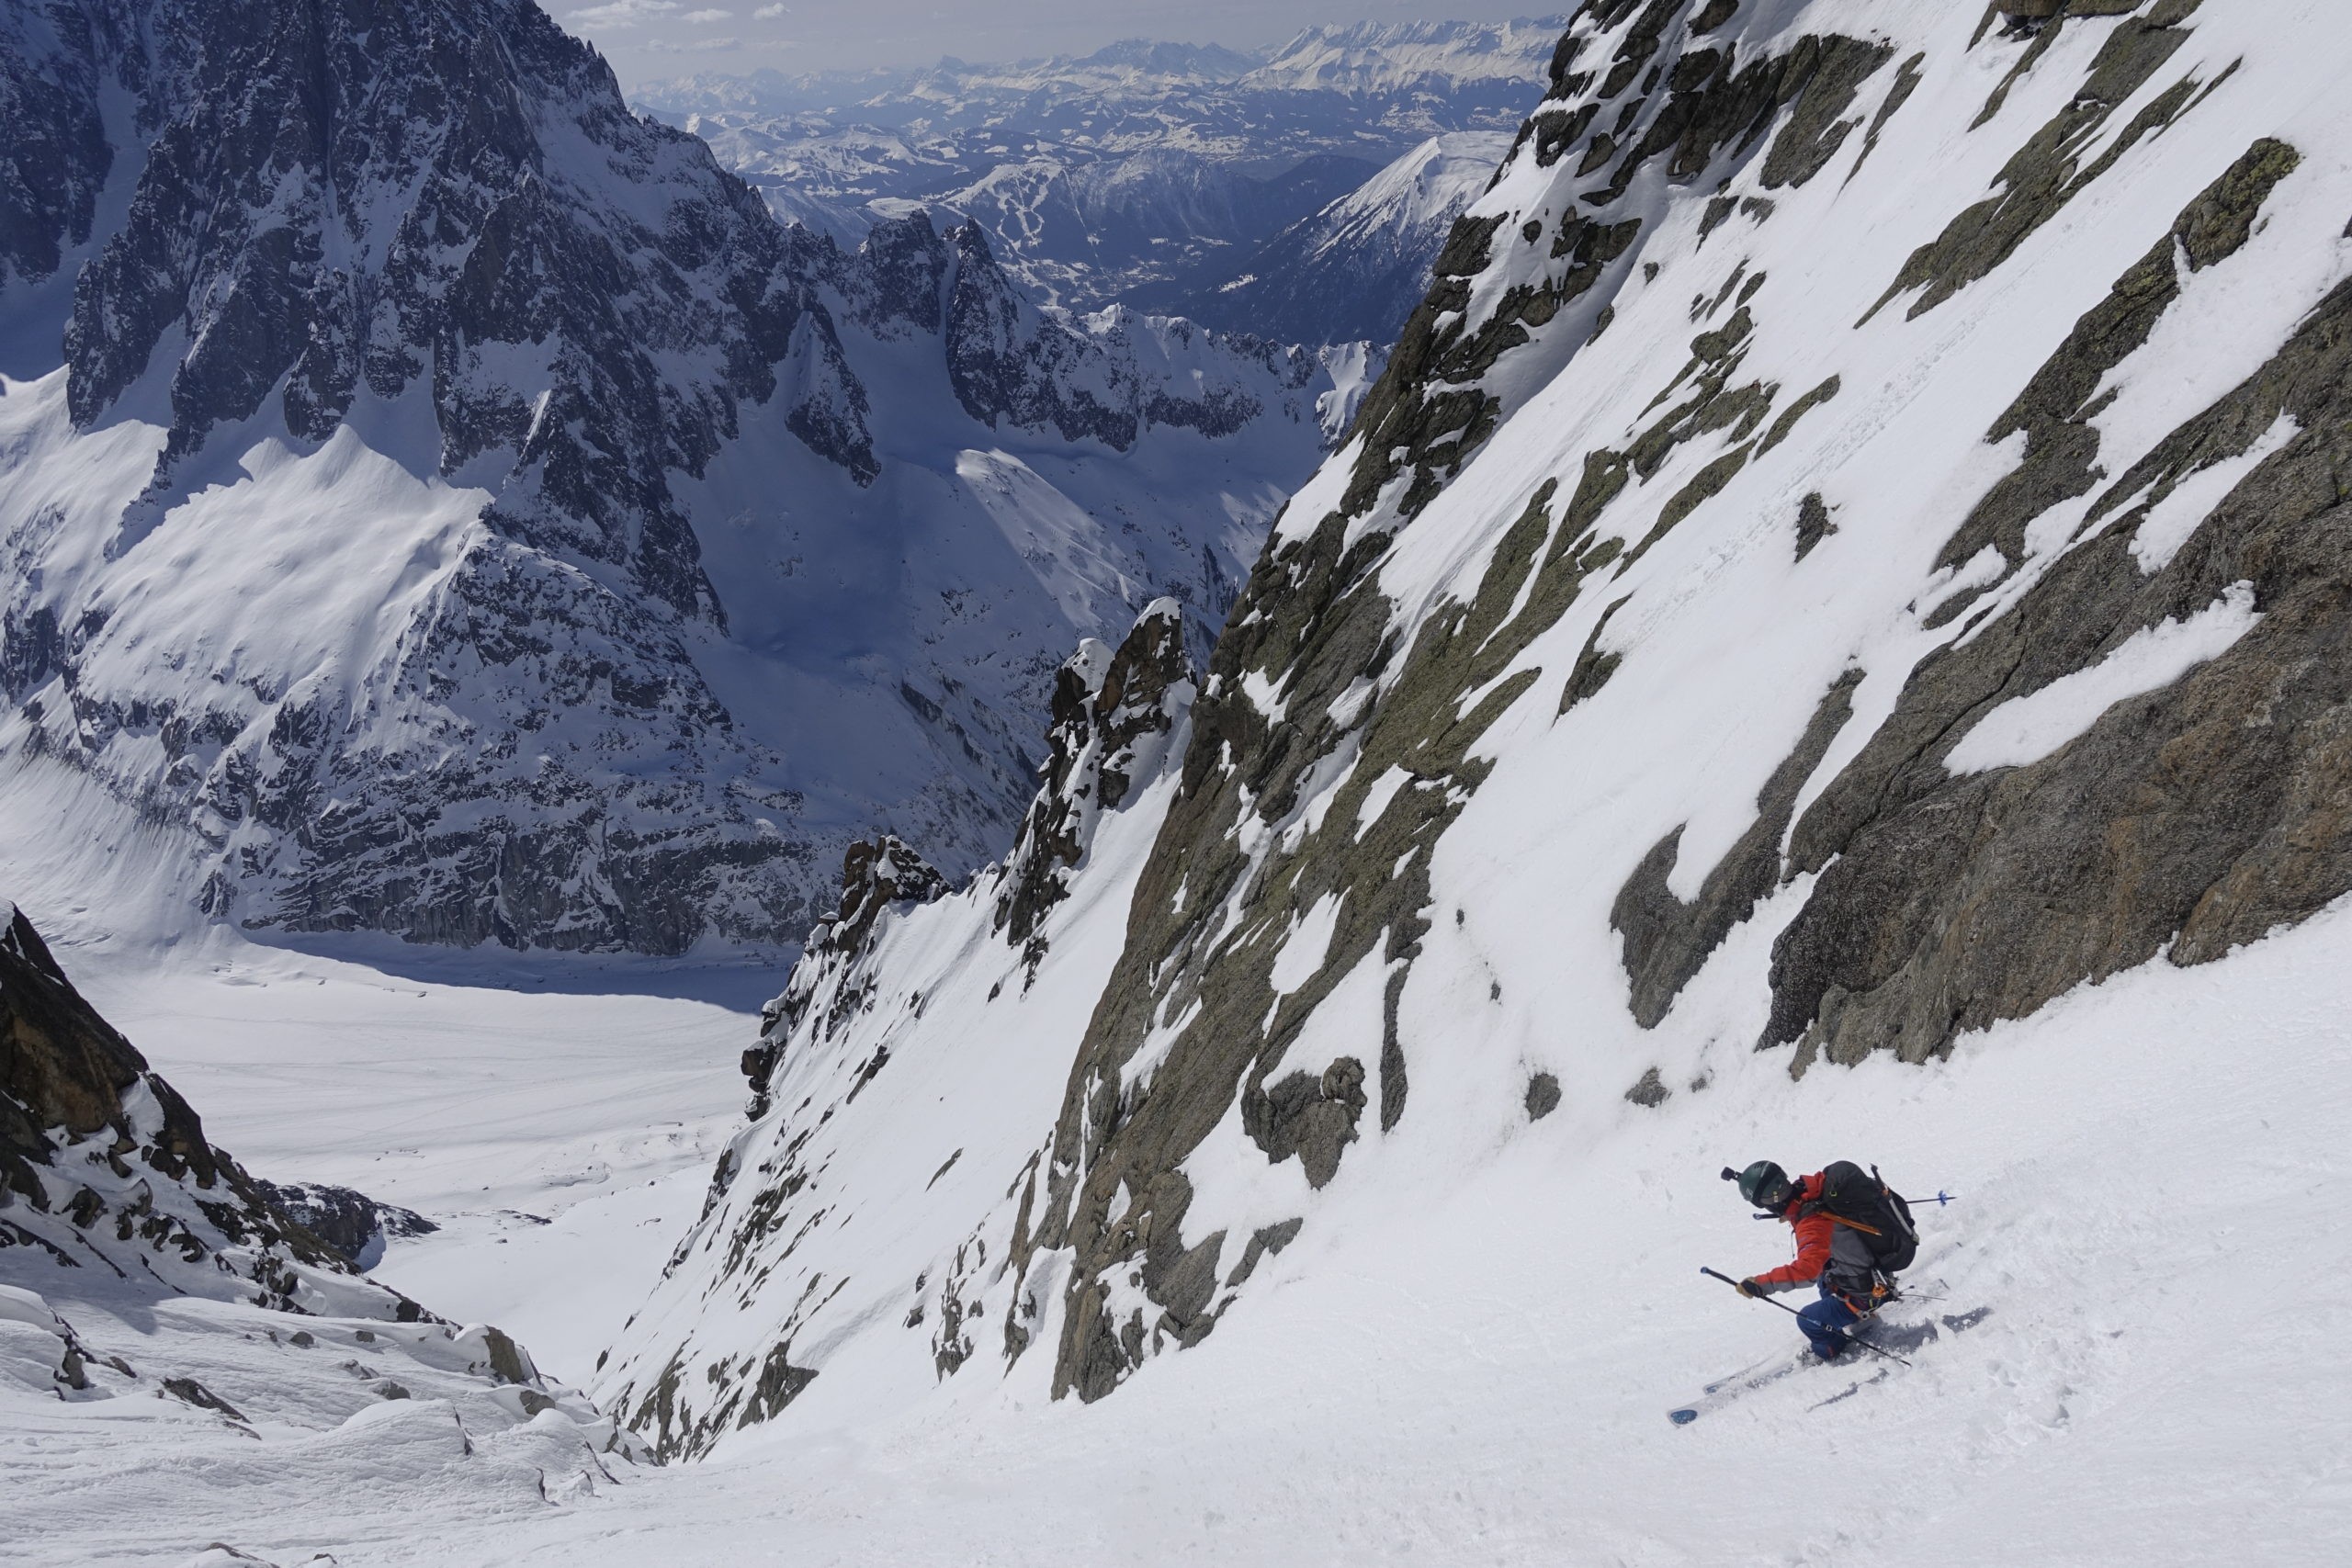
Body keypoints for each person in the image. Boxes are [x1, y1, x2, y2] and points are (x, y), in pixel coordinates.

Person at [1724, 1159, 1894, 1360]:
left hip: (1867, 1290)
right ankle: (1855, 1315)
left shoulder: (1813, 1220)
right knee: (1824, 1276)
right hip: (1874, 1270)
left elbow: (1806, 1271)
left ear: (1772, 1201)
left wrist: (1760, 1284)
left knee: (1808, 1320)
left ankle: (1831, 1350)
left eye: (1766, 1203)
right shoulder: (1817, 1191)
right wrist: (1793, 1213)